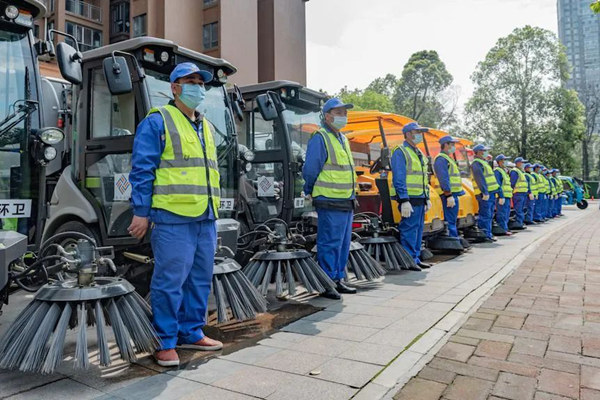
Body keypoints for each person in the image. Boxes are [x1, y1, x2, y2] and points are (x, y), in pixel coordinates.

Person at [128, 62, 223, 367]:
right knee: (170, 282)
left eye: (201, 83)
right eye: (190, 82)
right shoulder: (158, 121)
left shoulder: (207, 127)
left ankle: (191, 331)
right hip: (172, 216)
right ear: (175, 87)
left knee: (199, 279)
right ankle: (164, 340)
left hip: (205, 216)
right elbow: (142, 170)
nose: (197, 87)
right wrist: (141, 212)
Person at [303, 98, 356, 300]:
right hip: (329, 199)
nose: (344, 116)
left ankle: (338, 279)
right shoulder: (320, 137)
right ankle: (327, 283)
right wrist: (308, 190)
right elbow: (311, 168)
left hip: (346, 200)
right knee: (330, 242)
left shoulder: (343, 139)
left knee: (343, 243)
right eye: (339, 113)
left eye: (345, 113)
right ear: (327, 116)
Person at [390, 122, 432, 269]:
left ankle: (415, 258)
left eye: (421, 132)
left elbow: (423, 178)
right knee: (409, 229)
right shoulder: (400, 151)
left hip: (419, 197)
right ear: (408, 134)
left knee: (418, 229)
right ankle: (408, 260)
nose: (420, 135)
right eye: (417, 132)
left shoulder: (419, 152)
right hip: (409, 198)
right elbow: (399, 177)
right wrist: (404, 199)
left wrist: (427, 197)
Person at [433, 135, 464, 238]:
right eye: (452, 144)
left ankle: (453, 238)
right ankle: (452, 239)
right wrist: (448, 195)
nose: (454, 147)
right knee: (450, 219)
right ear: (445, 145)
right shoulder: (441, 159)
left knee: (452, 219)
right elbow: (443, 178)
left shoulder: (447, 158)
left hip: (452, 194)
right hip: (447, 195)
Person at [471, 144, 499, 242]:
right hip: (484, 194)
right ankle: (484, 235)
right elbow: (480, 179)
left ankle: (488, 234)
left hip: (490, 193)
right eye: (484, 151)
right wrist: (484, 192)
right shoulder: (476, 163)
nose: (486, 153)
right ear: (478, 152)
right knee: (485, 215)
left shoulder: (484, 163)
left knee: (489, 214)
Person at [493, 155, 512, 236]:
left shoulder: (504, 171)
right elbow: (498, 184)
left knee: (506, 213)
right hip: (502, 196)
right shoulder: (497, 171)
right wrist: (501, 196)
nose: (505, 162)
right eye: (504, 160)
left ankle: (505, 228)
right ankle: (502, 229)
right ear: (500, 161)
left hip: (507, 196)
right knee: (502, 213)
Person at [510, 157, 529, 230]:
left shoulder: (520, 171)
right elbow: (512, 183)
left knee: (521, 209)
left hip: (522, 193)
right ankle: (518, 223)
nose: (523, 164)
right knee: (518, 209)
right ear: (517, 163)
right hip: (518, 193)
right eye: (522, 162)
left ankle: (520, 223)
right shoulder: (515, 171)